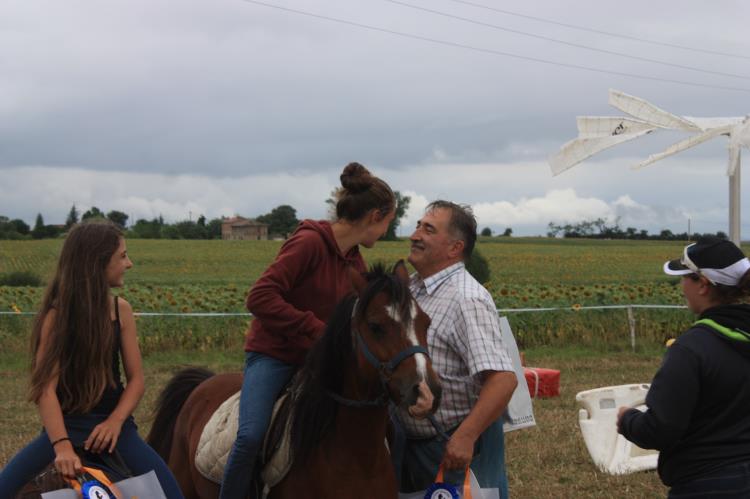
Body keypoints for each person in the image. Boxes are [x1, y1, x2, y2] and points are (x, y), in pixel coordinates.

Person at [219, 162, 396, 498]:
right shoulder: (309, 243)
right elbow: (260, 296)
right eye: (388, 223)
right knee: (251, 436)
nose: (386, 231)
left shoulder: (356, 263)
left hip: (318, 362)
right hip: (275, 355)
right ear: (375, 216)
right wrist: (316, 329)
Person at [0, 220, 184, 498]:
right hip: (67, 427)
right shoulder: (55, 317)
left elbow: (136, 381)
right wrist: (61, 445)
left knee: (172, 494)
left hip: (117, 430)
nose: (129, 263)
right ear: (97, 263)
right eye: (122, 256)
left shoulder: (120, 309)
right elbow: (45, 389)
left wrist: (115, 422)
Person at [393, 200, 518, 498]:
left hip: (453, 446)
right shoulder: (409, 289)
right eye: (417, 226)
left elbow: (503, 379)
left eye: (428, 229)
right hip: (412, 443)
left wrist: (466, 436)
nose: (415, 235)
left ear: (454, 248)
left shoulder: (467, 298)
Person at [617, 237, 750, 497]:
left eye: (684, 277)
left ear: (702, 284)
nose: (681, 286)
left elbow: (660, 430)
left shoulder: (692, 348)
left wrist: (627, 420)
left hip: (706, 485)